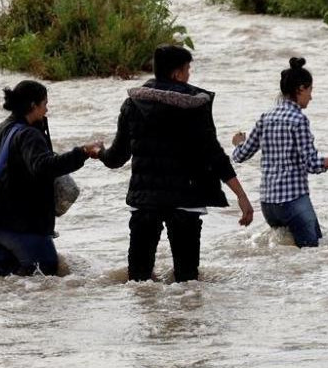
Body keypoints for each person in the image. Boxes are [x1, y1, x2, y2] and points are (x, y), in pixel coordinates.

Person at [101, 45, 253, 282]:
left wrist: (97, 153)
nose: (189, 74)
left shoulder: (132, 105)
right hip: (186, 201)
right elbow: (215, 156)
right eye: (187, 69)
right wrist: (241, 196)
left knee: (138, 282)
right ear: (176, 74)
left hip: (145, 201)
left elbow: (117, 157)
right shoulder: (196, 107)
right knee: (188, 281)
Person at [230, 57, 328, 248]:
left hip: (268, 204)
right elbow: (314, 165)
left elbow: (239, 156)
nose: (311, 97)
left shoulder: (265, 117)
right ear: (300, 89)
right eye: (310, 91)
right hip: (293, 201)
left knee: (290, 256)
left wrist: (239, 143)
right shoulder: (298, 119)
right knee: (312, 255)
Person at [0, 80, 101, 276]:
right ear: (32, 106)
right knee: (45, 276)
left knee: (7, 287)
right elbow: (44, 166)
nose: (47, 110)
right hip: (25, 227)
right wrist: (83, 152)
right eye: (45, 104)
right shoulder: (29, 135)